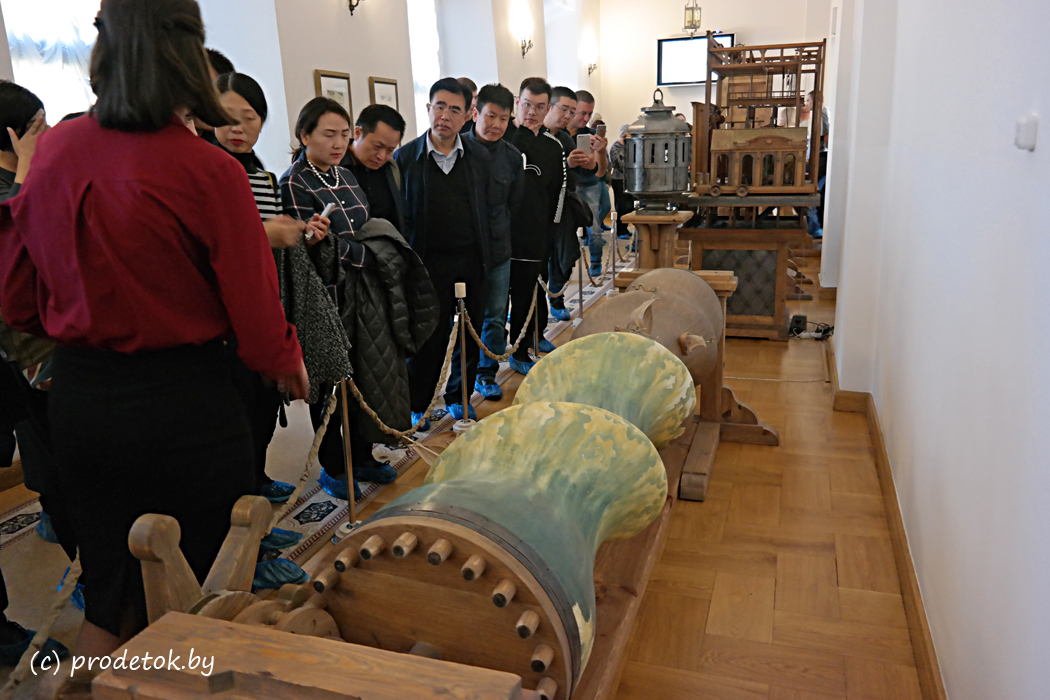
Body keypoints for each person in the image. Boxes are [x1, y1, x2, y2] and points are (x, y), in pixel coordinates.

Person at [0, 0, 308, 673]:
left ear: (103, 50)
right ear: (189, 55)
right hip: (187, 404)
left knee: (110, 594)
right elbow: (257, 325)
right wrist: (288, 361)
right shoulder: (207, 170)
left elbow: (18, 303)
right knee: (202, 591)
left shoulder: (53, 151)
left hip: (83, 403)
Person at [281, 97, 399, 500]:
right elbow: (305, 247)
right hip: (323, 296)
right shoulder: (295, 181)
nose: (338, 143)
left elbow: (361, 227)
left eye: (344, 135)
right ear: (304, 135)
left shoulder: (345, 175)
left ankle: (363, 455)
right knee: (329, 384)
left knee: (361, 376)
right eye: (328, 134)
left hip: (360, 293)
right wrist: (366, 256)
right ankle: (332, 466)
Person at [0, 80, 68, 668]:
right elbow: (17, 254)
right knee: (60, 461)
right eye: (39, 129)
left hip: (45, 351)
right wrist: (25, 174)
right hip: (29, 358)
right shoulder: (8, 189)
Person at [394, 77, 496, 426]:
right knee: (428, 336)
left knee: (470, 333)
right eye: (439, 106)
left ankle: (459, 397)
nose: (445, 116)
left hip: (471, 259)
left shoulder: (480, 157)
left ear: (467, 116)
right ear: (428, 108)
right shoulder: (406, 158)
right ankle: (417, 404)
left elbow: (494, 209)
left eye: (454, 109)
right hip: (427, 263)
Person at [459, 83, 523, 400]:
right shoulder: (454, 150)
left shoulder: (512, 158)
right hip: (462, 251)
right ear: (475, 113)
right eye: (491, 116)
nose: (496, 125)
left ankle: (485, 375)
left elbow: (514, 204)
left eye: (504, 118)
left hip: (498, 251)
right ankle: (455, 385)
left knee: (495, 316)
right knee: (457, 319)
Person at [503, 78, 565, 377]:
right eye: (527, 104)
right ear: (518, 102)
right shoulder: (502, 138)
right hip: (500, 233)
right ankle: (486, 366)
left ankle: (522, 346)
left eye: (540, 106)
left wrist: (551, 233)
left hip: (533, 234)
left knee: (527, 294)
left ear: (548, 108)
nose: (532, 111)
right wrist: (522, 135)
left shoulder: (553, 147)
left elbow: (558, 194)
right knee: (497, 300)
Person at [340, 104, 406, 232]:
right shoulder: (335, 168)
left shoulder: (391, 169)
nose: (382, 157)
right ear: (358, 133)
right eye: (377, 146)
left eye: (390, 150)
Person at [566, 89, 609, 275]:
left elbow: (600, 172)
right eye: (582, 113)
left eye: (589, 114)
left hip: (588, 185)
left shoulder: (591, 135)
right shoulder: (557, 133)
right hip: (565, 187)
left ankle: (596, 262)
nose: (586, 118)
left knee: (595, 229)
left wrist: (600, 151)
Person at [609, 123, 635, 238]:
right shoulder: (615, 147)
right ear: (624, 134)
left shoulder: (628, 145)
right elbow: (620, 165)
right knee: (622, 206)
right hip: (619, 180)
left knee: (629, 205)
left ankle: (624, 228)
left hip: (629, 180)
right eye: (630, 134)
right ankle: (620, 231)